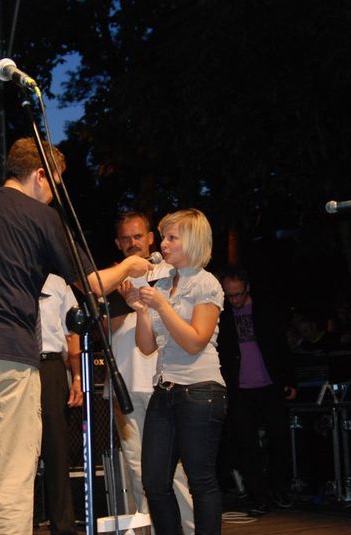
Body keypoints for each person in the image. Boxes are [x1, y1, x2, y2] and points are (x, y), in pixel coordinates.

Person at [0, 137, 150, 533]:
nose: (55, 193)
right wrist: (128, 266)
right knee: (12, 475)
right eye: (55, 182)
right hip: (9, 356)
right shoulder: (43, 217)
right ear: (40, 175)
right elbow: (93, 284)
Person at [124, 208, 226, 535]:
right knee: (154, 482)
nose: (163, 245)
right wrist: (142, 309)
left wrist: (161, 306)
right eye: (163, 237)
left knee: (200, 479)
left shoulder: (205, 283)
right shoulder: (165, 282)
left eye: (171, 238)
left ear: (193, 241)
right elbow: (146, 347)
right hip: (165, 389)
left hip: (200, 390)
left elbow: (195, 341)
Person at [109, 211, 194, 533]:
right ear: (118, 243)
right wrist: (123, 298)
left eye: (137, 236)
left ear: (149, 238)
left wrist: (140, 300)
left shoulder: (171, 272)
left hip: (164, 383)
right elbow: (105, 328)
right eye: (125, 238)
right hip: (125, 387)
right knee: (135, 467)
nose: (132, 243)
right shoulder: (112, 279)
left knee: (174, 469)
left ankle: (188, 528)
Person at [217, 267, 296, 515]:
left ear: (247, 289)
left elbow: (281, 346)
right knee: (246, 444)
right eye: (229, 295)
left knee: (279, 438)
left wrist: (290, 380)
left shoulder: (265, 310)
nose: (234, 300)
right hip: (239, 389)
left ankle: (279, 488)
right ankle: (258, 496)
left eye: (238, 294)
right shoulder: (222, 315)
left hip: (269, 385)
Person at [38, 274, 83, 534]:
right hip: (15, 363)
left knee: (56, 450)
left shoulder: (58, 283)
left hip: (51, 366)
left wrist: (76, 376)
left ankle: (63, 527)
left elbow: (72, 332)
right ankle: (16, 524)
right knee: (14, 452)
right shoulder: (8, 272)